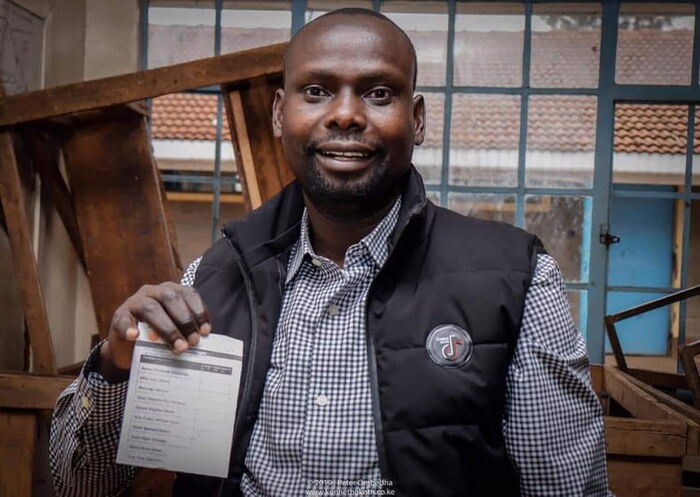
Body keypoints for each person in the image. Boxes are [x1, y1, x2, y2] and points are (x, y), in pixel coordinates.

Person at [50, 8, 610, 497]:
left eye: (378, 92)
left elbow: (564, 490)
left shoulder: (517, 279)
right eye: (316, 91)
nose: (345, 114)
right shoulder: (214, 278)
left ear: (416, 120)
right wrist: (117, 364)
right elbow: (83, 486)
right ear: (278, 113)